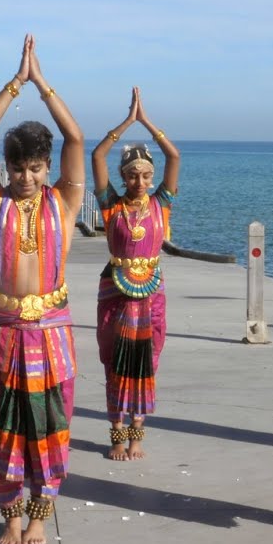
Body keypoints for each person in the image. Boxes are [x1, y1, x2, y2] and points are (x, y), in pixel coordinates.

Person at [0, 34, 86, 544]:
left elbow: (76, 140)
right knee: (4, 426)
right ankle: (10, 515)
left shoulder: (63, 202)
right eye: (18, 168)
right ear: (7, 169)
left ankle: (41, 515)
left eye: (36, 167)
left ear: (46, 167)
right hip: (4, 330)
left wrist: (43, 85)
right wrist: (15, 83)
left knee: (51, 425)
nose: (27, 177)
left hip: (53, 331)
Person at [89, 86, 180, 461]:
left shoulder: (161, 204)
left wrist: (148, 123)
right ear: (123, 177)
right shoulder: (111, 205)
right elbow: (97, 154)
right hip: (116, 291)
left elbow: (175, 156)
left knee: (146, 364)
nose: (139, 183)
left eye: (145, 176)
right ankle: (116, 435)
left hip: (150, 294)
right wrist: (126, 123)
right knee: (115, 363)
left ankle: (137, 435)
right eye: (132, 176)